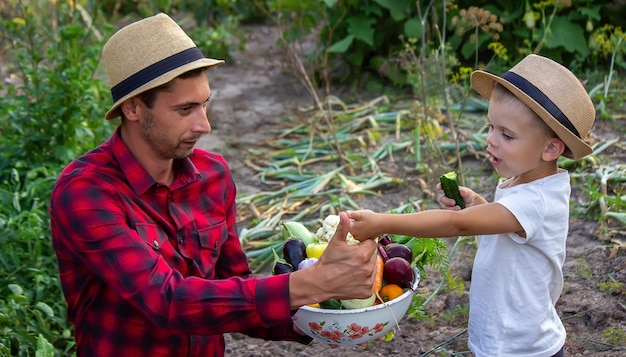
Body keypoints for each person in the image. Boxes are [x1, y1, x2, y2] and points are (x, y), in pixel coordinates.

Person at [49, 13, 378, 356]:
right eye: (185, 109)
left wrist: (337, 316)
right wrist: (308, 284)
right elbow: (167, 301)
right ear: (133, 108)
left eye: (205, 104)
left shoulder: (213, 176)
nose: (204, 125)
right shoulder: (85, 192)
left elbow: (230, 290)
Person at [348, 54, 596, 357]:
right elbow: (507, 234)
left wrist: (383, 222)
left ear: (551, 148)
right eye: (491, 126)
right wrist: (479, 205)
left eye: (507, 134)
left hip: (520, 347)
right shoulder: (525, 182)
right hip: (505, 337)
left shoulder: (537, 200)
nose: (490, 139)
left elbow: (457, 225)